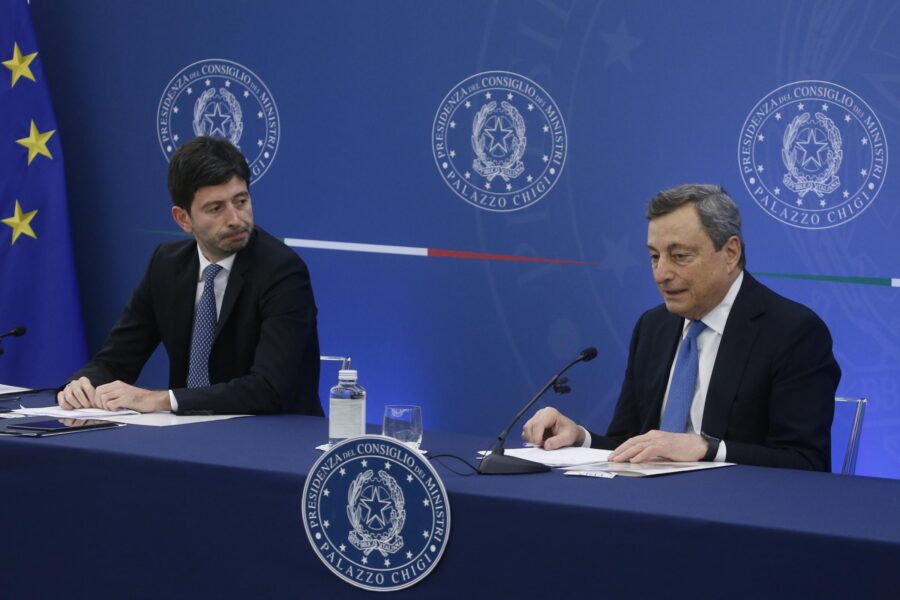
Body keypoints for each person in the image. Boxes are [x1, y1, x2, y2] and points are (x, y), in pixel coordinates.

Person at [522, 184, 840, 471]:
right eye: (654, 256)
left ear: (730, 253)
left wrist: (707, 449)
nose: (661, 273)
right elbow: (628, 442)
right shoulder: (652, 327)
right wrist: (580, 438)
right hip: (646, 506)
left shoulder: (792, 332)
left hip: (735, 510)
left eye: (680, 256)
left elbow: (805, 461)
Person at [57, 136, 322, 416]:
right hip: (187, 434)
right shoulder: (166, 266)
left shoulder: (282, 271)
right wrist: (83, 384)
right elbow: (115, 361)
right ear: (183, 218)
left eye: (241, 201)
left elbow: (269, 389)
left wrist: (162, 400)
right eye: (216, 208)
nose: (235, 219)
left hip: (272, 434)